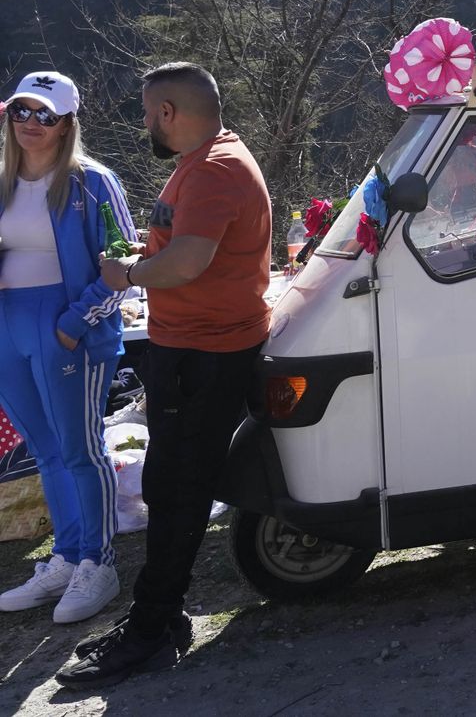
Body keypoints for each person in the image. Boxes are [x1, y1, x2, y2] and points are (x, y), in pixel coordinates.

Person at [59, 62, 272, 687]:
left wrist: (125, 274)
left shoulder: (214, 170)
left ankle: (152, 631)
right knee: (168, 484)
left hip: (205, 356)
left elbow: (187, 261)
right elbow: (183, 251)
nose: (146, 122)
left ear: (170, 112)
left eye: (150, 112)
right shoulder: (208, 162)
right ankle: (159, 618)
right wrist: (145, 259)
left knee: (178, 490)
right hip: (193, 349)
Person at [0, 72, 135, 625]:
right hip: (9, 326)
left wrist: (75, 323)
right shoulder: (3, 179)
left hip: (65, 326)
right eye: (22, 111)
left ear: (66, 124)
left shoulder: (92, 182)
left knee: (81, 450)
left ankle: (99, 565)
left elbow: (127, 263)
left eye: (45, 115)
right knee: (44, 449)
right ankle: (67, 555)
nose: (32, 123)